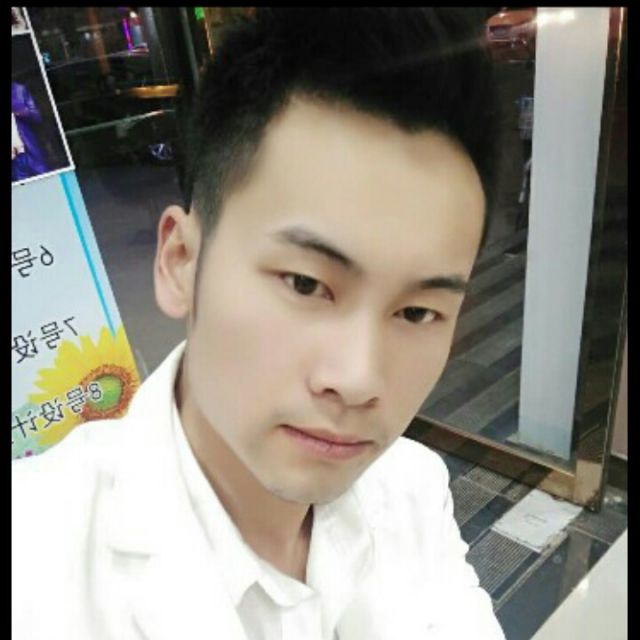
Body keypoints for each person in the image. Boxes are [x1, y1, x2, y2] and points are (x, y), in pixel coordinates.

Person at [12, 9, 505, 639]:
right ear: (180, 261)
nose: (357, 379)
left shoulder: (412, 488)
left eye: (416, 312)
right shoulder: (34, 562)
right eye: (305, 284)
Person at [11, 80, 50, 182]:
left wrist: (20, 112)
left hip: (28, 149)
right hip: (13, 158)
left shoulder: (19, 90)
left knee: (46, 180)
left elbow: (37, 116)